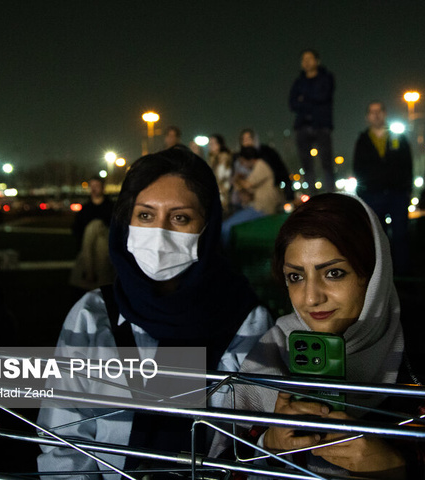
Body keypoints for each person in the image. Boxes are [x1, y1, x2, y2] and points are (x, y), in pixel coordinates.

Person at [37, 147, 274, 477]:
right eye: (145, 216)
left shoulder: (243, 318)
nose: (159, 232)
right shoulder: (94, 314)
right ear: (125, 222)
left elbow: (249, 440)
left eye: (180, 218)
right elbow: (62, 436)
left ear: (208, 226)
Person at [211, 193, 425, 478]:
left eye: (334, 273)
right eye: (296, 277)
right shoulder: (271, 351)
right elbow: (218, 464)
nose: (311, 298)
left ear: (374, 272)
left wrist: (400, 468)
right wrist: (268, 445)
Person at [353, 101, 412, 275]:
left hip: (397, 194)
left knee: (401, 235)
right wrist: (363, 192)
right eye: (372, 112)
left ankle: (403, 274)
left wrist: (406, 189)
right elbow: (357, 167)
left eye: (379, 111)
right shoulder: (363, 140)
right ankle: (382, 274)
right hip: (372, 195)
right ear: (367, 117)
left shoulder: (398, 137)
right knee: (378, 239)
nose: (376, 115)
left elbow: (407, 164)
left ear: (385, 114)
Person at [289, 49, 335, 193]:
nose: (306, 62)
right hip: (302, 126)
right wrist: (311, 99)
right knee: (306, 164)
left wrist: (304, 99)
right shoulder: (298, 82)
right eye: (303, 59)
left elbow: (324, 96)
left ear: (317, 61)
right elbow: (292, 104)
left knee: (326, 162)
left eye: (309, 59)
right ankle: (312, 196)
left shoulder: (327, 78)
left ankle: (331, 195)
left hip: (322, 125)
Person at [221, 146, 284, 247]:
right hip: (259, 207)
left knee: (225, 228)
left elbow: (247, 184)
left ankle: (227, 258)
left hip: (262, 208)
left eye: (242, 162)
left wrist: (236, 179)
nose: (242, 165)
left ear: (248, 159)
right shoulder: (259, 166)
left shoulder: (260, 165)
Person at [69, 175, 115, 299]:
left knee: (96, 225)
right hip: (88, 247)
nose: (94, 189)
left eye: (97, 186)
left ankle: (89, 273)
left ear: (103, 188)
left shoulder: (111, 208)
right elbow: (76, 229)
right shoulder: (86, 209)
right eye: (92, 186)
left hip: (104, 248)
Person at [240, 128, 293, 202]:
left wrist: (289, 195)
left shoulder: (266, 153)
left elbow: (282, 171)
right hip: (250, 198)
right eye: (244, 139)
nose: (246, 142)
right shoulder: (240, 157)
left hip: (268, 194)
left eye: (249, 138)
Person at [207, 133, 233, 214]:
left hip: (222, 194)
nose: (210, 146)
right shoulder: (212, 158)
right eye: (209, 143)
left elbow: (222, 176)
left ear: (219, 145)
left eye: (213, 143)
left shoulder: (223, 157)